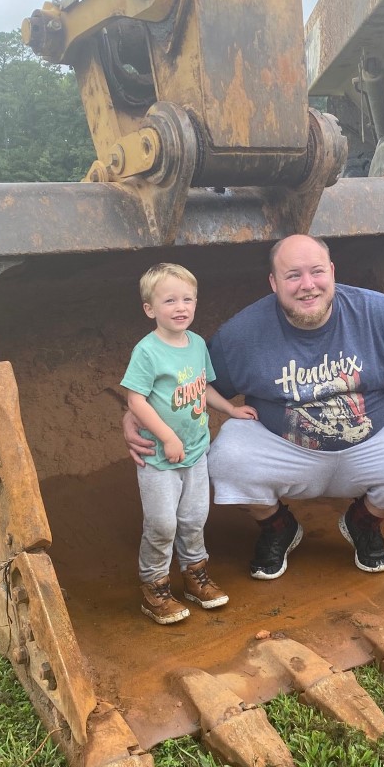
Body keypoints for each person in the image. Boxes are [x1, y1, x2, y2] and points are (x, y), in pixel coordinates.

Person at [125, 235, 384, 583]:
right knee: (226, 457)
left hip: (368, 440)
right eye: (292, 276)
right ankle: (278, 528)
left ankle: (363, 523)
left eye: (317, 272)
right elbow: (188, 379)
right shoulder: (245, 332)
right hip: (285, 448)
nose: (308, 286)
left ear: (332, 272)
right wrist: (134, 413)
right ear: (274, 283)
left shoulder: (376, 312)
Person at [121, 261, 257, 625]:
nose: (180, 307)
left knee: (195, 517)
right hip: (159, 457)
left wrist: (230, 408)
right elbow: (136, 400)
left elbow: (204, 385)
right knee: (162, 522)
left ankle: (195, 576)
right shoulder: (147, 352)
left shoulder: (196, 343)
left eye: (187, 299)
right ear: (150, 309)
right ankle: (154, 587)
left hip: (196, 451)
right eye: (169, 301)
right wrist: (166, 436)